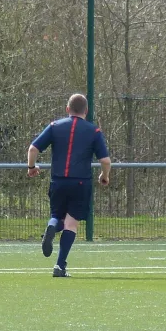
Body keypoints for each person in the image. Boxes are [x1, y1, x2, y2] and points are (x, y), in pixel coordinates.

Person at [27, 94, 111, 277]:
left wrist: (32, 167)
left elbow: (33, 149)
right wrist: (104, 175)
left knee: (57, 215)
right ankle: (59, 266)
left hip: (58, 181)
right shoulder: (93, 131)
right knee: (71, 224)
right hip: (81, 183)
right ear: (86, 111)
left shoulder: (55, 126)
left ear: (67, 109)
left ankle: (51, 226)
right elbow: (105, 160)